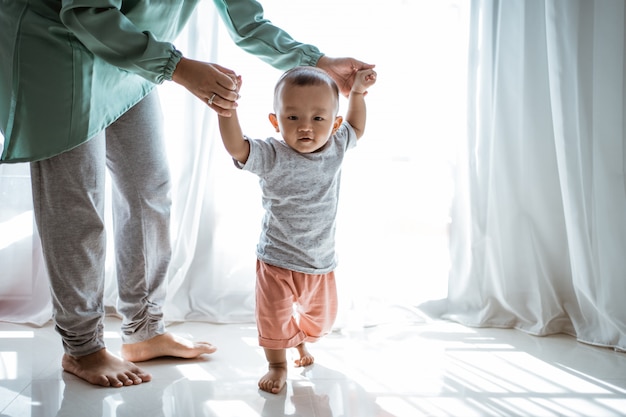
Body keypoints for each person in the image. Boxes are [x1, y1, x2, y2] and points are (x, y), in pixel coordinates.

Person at [0, 0, 374, 388]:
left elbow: (246, 20)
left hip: (133, 51)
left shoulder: (337, 140)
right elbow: (86, 11)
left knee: (149, 189)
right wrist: (178, 68)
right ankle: (83, 348)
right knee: (78, 202)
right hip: (59, 44)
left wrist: (316, 60)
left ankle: (144, 329)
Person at [217, 65, 377, 394]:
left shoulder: (336, 146)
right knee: (273, 316)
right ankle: (277, 363)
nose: (305, 127)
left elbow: (356, 125)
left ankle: (301, 341)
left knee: (321, 322)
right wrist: (227, 110)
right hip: (276, 259)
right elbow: (237, 148)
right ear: (276, 121)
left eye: (318, 119)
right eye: (292, 118)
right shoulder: (272, 154)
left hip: (320, 261)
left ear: (333, 124)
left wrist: (357, 93)